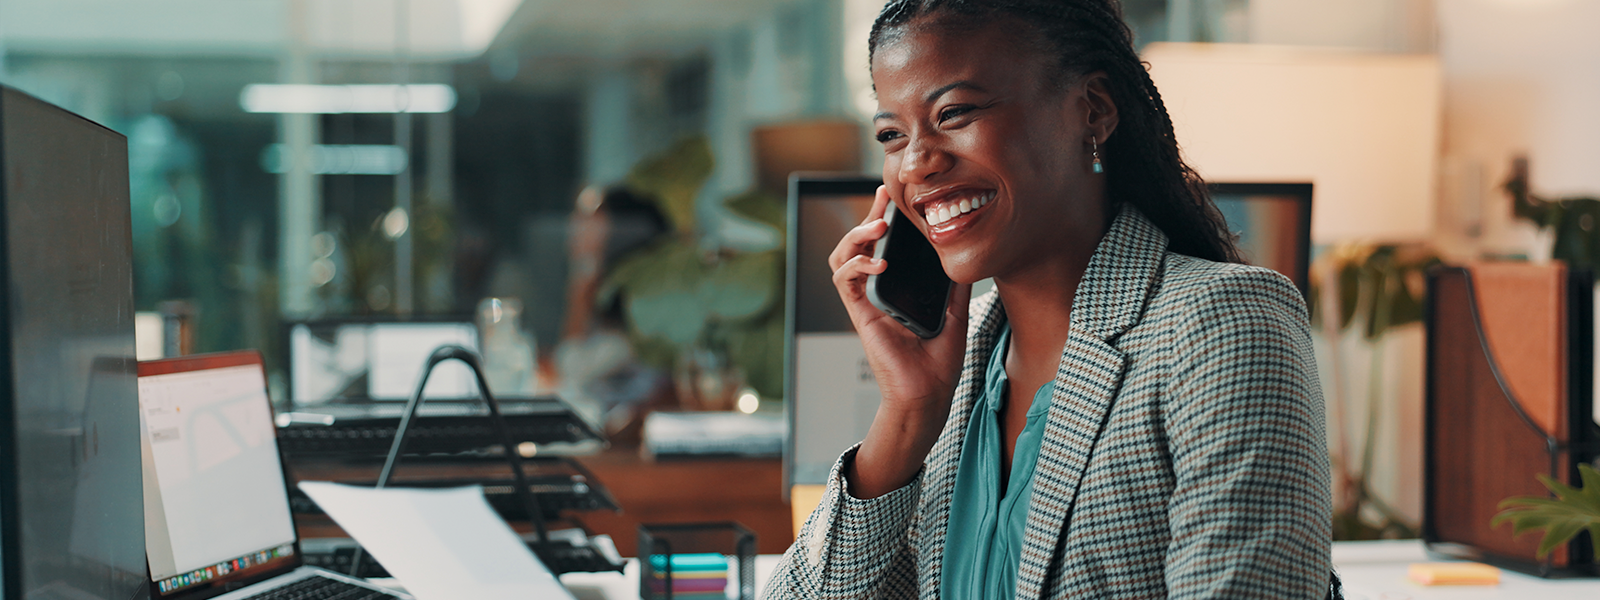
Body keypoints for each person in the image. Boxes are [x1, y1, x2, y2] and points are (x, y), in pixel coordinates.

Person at [765, 0, 1335, 598]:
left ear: (1092, 110)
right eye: (891, 135)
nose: (916, 164)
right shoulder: (961, 369)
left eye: (954, 112)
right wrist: (907, 417)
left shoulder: (1222, 324)